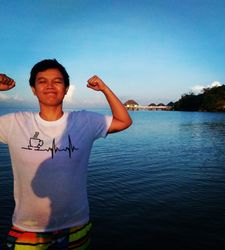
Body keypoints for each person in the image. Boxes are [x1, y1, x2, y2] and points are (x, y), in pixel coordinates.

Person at [0, 59, 132, 249]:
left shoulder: (84, 121)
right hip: (27, 229)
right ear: (33, 89)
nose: (50, 86)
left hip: (75, 226)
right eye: (42, 81)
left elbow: (124, 121)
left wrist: (104, 88)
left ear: (67, 88)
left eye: (57, 81)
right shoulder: (15, 122)